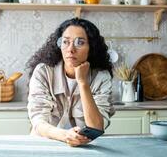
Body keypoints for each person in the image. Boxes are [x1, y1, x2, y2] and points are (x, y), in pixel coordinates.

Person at [26, 17, 115, 147]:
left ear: (91, 47)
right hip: (46, 144)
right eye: (65, 42)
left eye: (80, 42)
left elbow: (96, 127)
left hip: (85, 147)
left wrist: (83, 82)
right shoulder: (43, 72)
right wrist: (65, 136)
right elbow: (39, 122)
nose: (70, 49)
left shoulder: (101, 77)